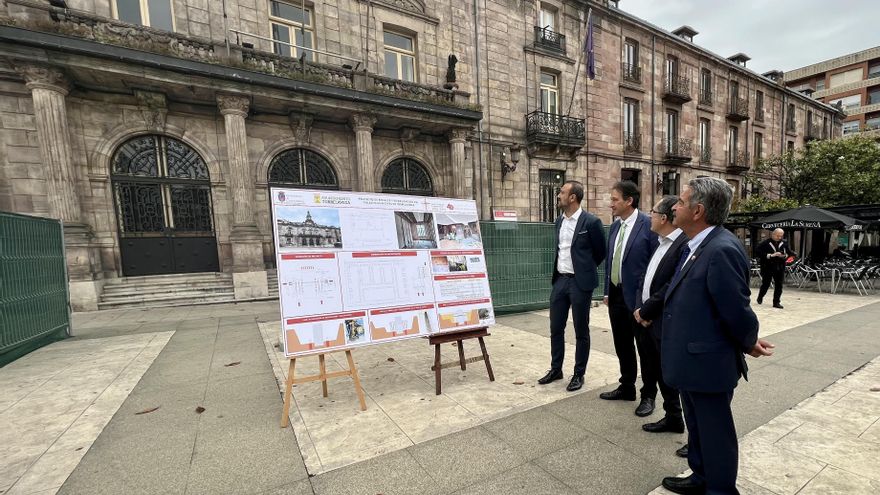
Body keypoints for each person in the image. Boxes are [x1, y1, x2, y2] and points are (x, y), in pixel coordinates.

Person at [661, 177, 774, 495]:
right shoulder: (697, 244)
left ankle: (721, 490)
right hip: (691, 359)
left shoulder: (721, 248)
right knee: (698, 427)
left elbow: (736, 308)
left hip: (708, 363)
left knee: (715, 433)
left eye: (681, 202)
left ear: (697, 211)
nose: (675, 207)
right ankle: (701, 477)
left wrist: (748, 341)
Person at [538, 180, 607, 392]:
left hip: (580, 283)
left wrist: (584, 270)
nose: (558, 195)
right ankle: (556, 369)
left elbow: (600, 252)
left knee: (581, 330)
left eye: (562, 192)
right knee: (555, 327)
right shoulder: (559, 221)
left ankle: (579, 374)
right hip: (560, 280)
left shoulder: (591, 222)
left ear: (573, 197)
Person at [599, 181, 659, 417]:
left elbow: (655, 264)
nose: (611, 204)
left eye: (615, 199)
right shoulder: (615, 226)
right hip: (616, 295)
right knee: (622, 344)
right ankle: (627, 387)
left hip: (638, 300)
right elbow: (611, 260)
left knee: (645, 348)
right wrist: (607, 291)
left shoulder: (648, 225)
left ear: (629, 201)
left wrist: (648, 302)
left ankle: (648, 395)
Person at [632, 195, 688, 438]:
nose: (649, 217)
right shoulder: (659, 242)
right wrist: (638, 309)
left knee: (668, 373)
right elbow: (644, 279)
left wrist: (646, 311)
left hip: (661, 320)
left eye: (652, 213)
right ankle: (671, 416)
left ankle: (675, 416)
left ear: (664, 218)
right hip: (644, 318)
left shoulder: (683, 245)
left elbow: (671, 285)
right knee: (650, 365)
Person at [756, 228, 795, 309]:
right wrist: (771, 255)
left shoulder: (784, 243)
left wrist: (785, 255)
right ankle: (760, 296)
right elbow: (757, 252)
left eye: (781, 236)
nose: (779, 238)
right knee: (766, 284)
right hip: (767, 267)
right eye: (778, 236)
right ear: (773, 234)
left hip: (780, 267)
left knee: (779, 285)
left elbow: (789, 253)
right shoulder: (765, 243)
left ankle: (776, 302)